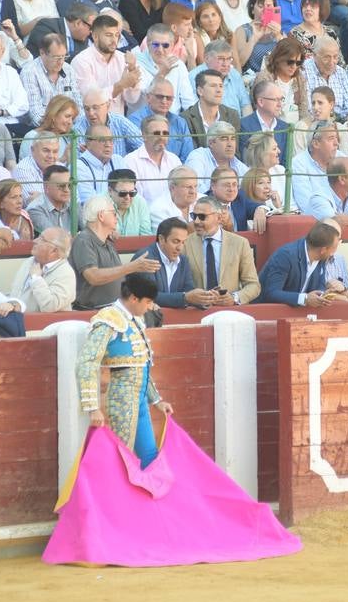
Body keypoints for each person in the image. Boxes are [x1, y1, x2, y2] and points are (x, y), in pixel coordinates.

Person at [76, 272, 173, 469]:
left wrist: (156, 400)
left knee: (149, 457)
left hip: (140, 401)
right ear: (133, 298)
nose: (149, 307)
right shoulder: (109, 319)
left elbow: (142, 364)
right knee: (121, 459)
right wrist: (92, 407)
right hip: (120, 400)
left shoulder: (135, 319)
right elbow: (87, 362)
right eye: (147, 302)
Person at [71, 194, 162, 310]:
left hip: (114, 309)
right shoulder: (84, 240)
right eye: (113, 213)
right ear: (101, 216)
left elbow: (120, 281)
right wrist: (132, 267)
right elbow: (93, 276)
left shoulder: (107, 242)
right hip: (93, 312)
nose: (117, 217)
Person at [182, 194, 260, 305]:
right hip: (196, 311)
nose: (196, 221)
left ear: (218, 218)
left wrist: (234, 298)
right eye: (194, 216)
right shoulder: (185, 243)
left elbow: (253, 285)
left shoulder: (240, 243)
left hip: (229, 313)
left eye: (202, 217)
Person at [255, 221, 346, 307]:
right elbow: (272, 293)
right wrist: (305, 299)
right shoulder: (285, 256)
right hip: (265, 315)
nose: (333, 253)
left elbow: (320, 285)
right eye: (334, 248)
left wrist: (322, 295)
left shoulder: (321, 257)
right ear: (323, 250)